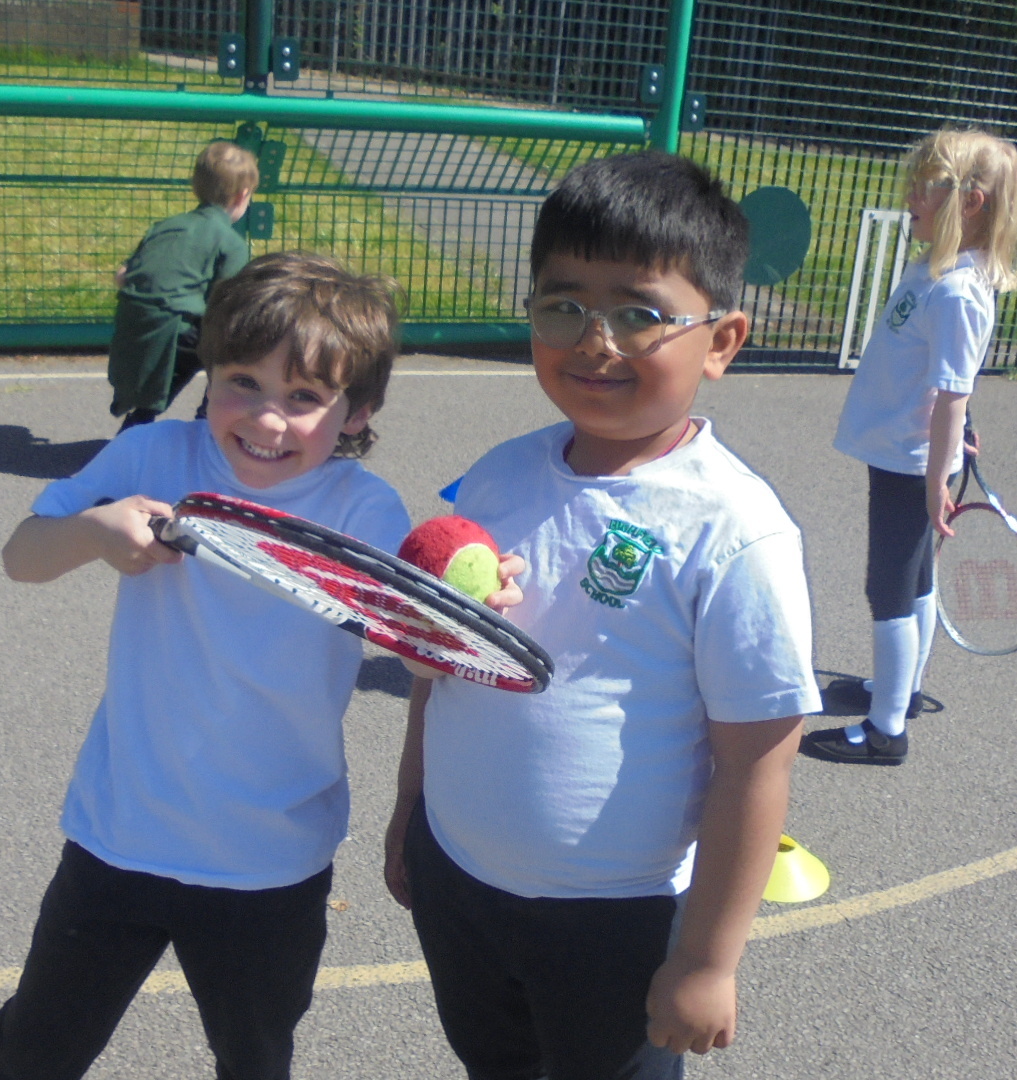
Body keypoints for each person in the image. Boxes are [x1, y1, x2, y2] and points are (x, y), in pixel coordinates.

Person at [383, 151, 821, 1080]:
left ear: (722, 341)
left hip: (618, 919)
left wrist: (706, 961)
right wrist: (411, 807)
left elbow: (756, 761)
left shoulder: (733, 529)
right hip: (458, 881)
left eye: (638, 314)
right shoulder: (497, 476)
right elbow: (443, 673)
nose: (595, 341)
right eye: (563, 305)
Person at [0, 251, 410, 1080]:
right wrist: (94, 532)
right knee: (34, 1049)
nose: (266, 419)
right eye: (243, 381)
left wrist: (477, 605)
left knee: (254, 1058)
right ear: (209, 372)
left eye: (305, 397)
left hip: (270, 860)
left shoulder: (364, 510)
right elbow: (20, 558)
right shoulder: (151, 455)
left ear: (357, 411)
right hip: (119, 838)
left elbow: (426, 644)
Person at [804, 126, 1017, 766]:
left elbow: (955, 392)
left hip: (911, 463)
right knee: (916, 581)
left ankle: (885, 731)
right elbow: (946, 383)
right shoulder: (936, 272)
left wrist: (935, 481)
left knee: (890, 591)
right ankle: (900, 690)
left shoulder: (957, 292)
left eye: (925, 186)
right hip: (903, 454)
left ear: (971, 202)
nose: (910, 196)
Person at [107, 139, 258, 432]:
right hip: (177, 329)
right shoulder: (231, 243)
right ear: (243, 195)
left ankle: (136, 429)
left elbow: (123, 275)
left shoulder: (165, 226)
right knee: (235, 352)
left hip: (134, 324)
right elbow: (225, 304)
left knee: (153, 397)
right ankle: (208, 421)